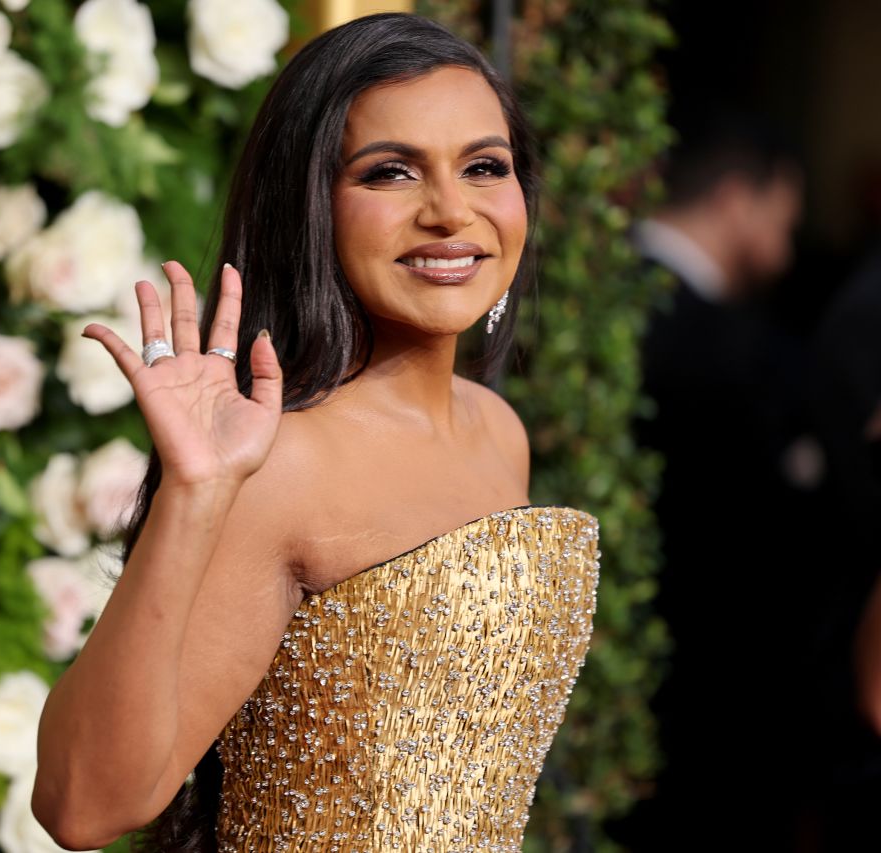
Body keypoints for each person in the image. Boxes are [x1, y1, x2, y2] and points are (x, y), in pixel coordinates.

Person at [31, 14, 602, 851]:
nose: (451, 211)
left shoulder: (498, 431)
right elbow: (83, 807)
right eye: (391, 173)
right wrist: (195, 493)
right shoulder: (281, 464)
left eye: (485, 166)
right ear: (311, 208)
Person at [616, 121, 807, 851]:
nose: (787, 248)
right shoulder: (733, 346)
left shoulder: (588, 298)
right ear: (736, 199)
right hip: (709, 697)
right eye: (781, 218)